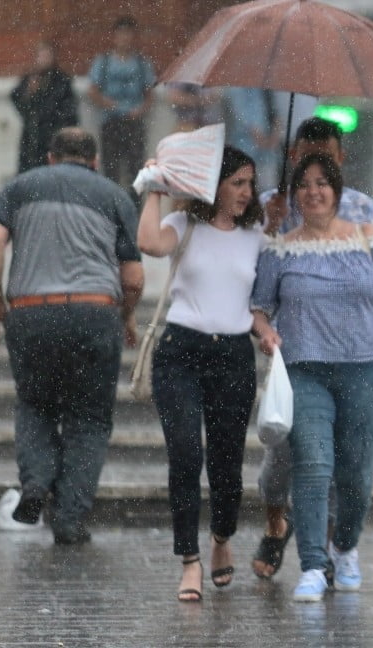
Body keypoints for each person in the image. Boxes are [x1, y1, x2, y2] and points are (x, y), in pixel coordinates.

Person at [250, 152, 373, 602]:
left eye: (322, 182)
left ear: (338, 191)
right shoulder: (279, 249)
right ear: (294, 195)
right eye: (303, 184)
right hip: (304, 371)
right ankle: (311, 565)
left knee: (357, 474)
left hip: (364, 370)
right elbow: (259, 309)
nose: (313, 191)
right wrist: (266, 335)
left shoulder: (369, 240)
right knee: (313, 467)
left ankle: (344, 548)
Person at [0, 127, 144, 545]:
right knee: (88, 419)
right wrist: (125, 315)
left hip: (32, 313)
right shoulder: (114, 195)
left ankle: (35, 484)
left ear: (50, 157)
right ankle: (69, 518)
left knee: (35, 406)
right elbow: (135, 277)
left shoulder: (22, 186)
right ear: (95, 161)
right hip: (94, 311)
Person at [136, 146, 270, 603]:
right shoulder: (184, 224)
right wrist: (154, 188)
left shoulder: (258, 234)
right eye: (237, 182)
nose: (246, 192)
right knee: (186, 455)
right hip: (181, 353)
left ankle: (221, 538)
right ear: (212, 185)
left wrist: (267, 331)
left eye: (250, 183)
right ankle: (189, 560)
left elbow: (262, 298)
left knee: (227, 464)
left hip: (233, 356)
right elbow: (149, 244)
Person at [87, 15, 156, 187]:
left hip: (134, 124)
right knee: (111, 171)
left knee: (135, 172)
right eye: (121, 34)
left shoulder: (141, 63)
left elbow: (150, 94)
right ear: (114, 36)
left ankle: (135, 209)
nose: (125, 38)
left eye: (128, 34)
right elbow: (92, 91)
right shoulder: (103, 62)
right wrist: (108, 104)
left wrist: (140, 110)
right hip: (111, 123)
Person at [10, 41, 78, 173]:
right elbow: (17, 99)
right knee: (30, 172)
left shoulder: (61, 80)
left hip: (54, 135)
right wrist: (30, 93)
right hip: (32, 137)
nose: (44, 59)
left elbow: (68, 109)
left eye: (47, 55)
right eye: (41, 56)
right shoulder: (30, 79)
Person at [222, 87, 281, 190]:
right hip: (246, 148)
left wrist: (274, 136)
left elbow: (275, 111)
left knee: (268, 190)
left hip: (267, 152)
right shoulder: (237, 87)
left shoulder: (267, 85)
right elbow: (241, 115)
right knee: (246, 188)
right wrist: (263, 139)